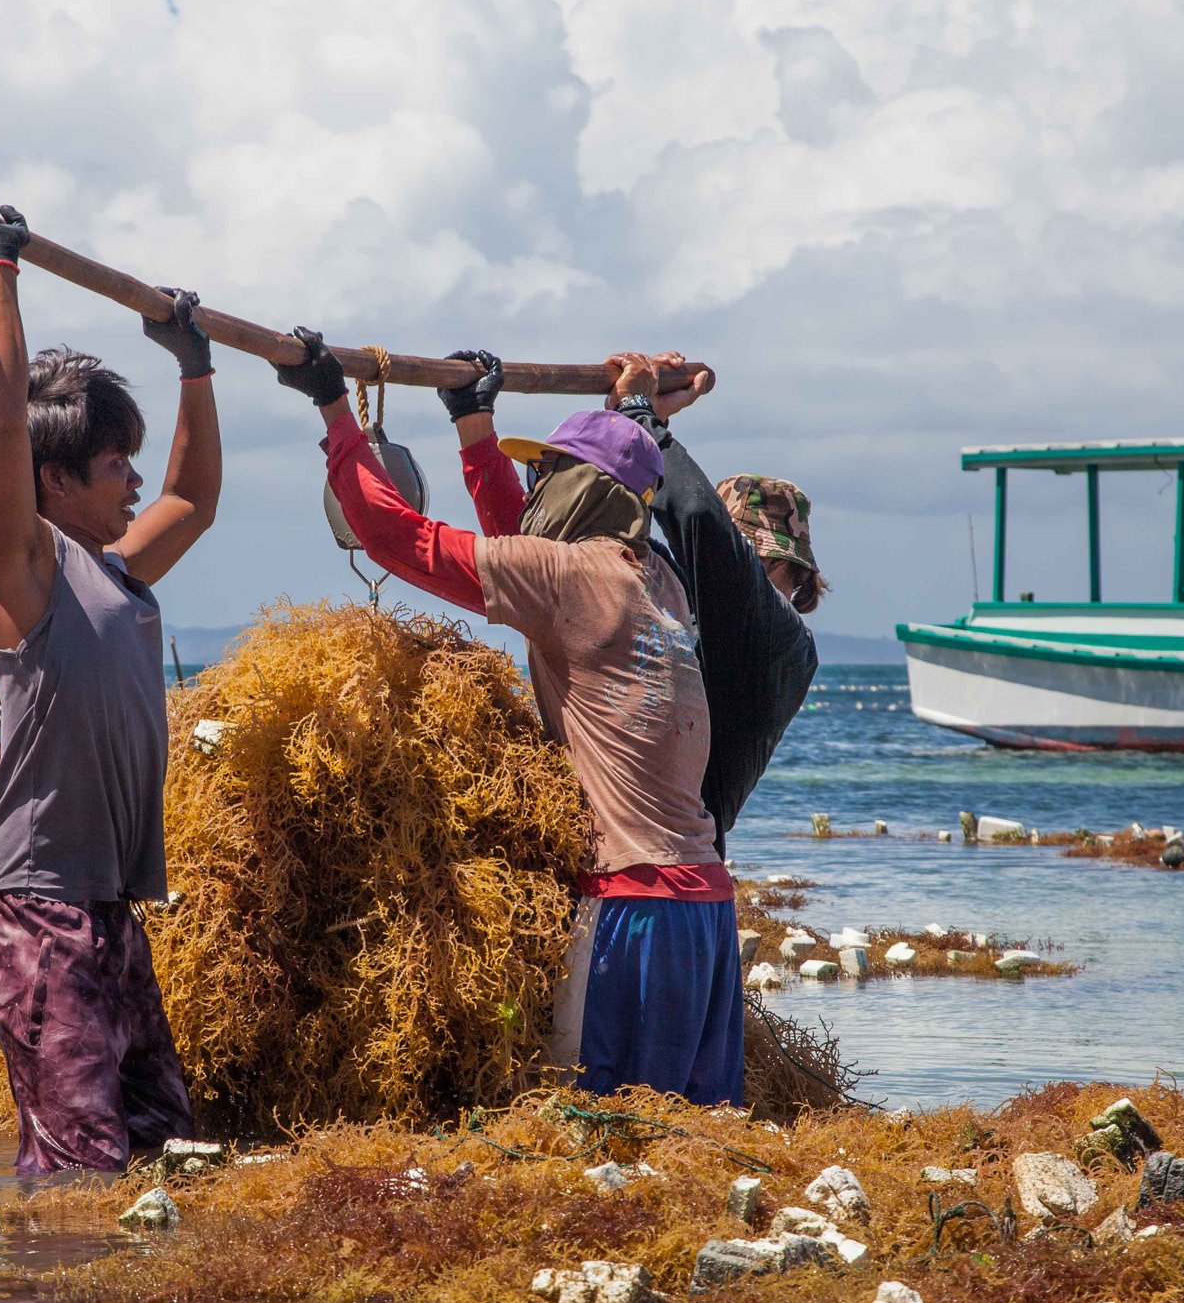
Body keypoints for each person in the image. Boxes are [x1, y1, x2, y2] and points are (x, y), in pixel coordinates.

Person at [277, 329, 742, 1107]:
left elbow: (396, 537)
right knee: (694, 1147)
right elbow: (529, 537)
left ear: (578, 489)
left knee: (598, 1134)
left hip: (634, 912)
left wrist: (334, 408)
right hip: (707, 910)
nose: (532, 487)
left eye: (544, 472)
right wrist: (474, 424)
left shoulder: (569, 579)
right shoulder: (658, 579)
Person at [0, 202, 221, 1175]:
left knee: (163, 1140)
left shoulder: (122, 570)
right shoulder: (25, 565)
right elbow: (2, 420)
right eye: (115, 466)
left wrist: (195, 365)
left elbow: (194, 499)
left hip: (102, 907)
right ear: (55, 479)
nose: (135, 484)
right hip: (26, 905)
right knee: (78, 1159)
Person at [608, 352, 824, 854]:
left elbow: (697, 517)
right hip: (650, 855)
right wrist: (631, 425)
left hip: (672, 865)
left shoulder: (777, 638)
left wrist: (639, 414)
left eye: (741, 557)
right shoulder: (699, 620)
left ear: (782, 569)